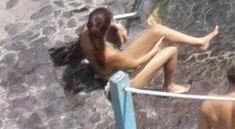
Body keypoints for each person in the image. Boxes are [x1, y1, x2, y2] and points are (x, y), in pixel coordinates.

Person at [79, 6, 217, 92]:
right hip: (124, 81)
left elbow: (106, 24)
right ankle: (169, 86)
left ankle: (200, 42)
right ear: (107, 26)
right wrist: (154, 50)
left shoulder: (85, 32)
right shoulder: (109, 53)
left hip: (115, 66)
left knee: (157, 30)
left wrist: (118, 26)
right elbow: (135, 65)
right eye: (113, 21)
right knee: (171, 51)